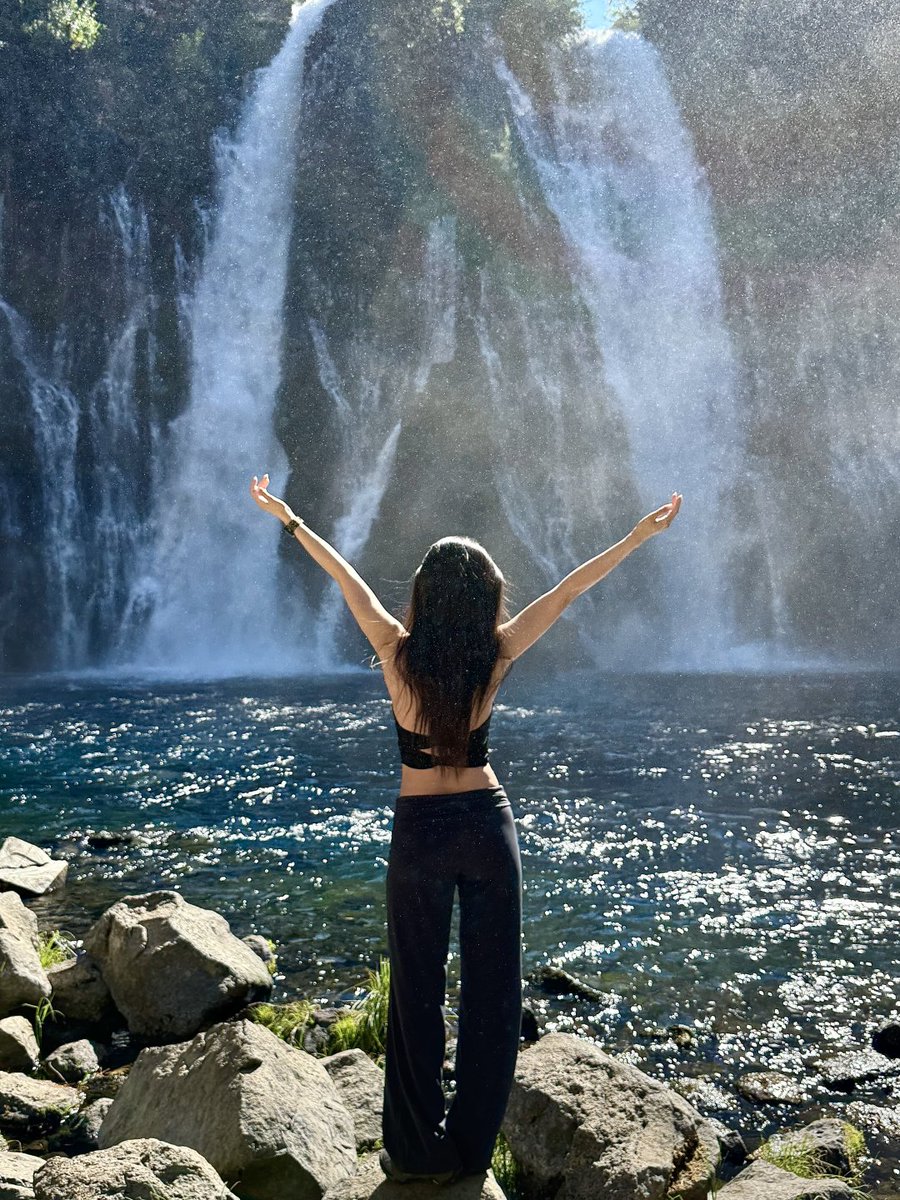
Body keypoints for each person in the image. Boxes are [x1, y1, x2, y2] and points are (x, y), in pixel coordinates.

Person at [250, 472, 682, 1184]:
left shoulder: (393, 648)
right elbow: (571, 589)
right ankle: (472, 1151)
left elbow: (342, 574)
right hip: (488, 823)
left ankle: (416, 1153)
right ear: (483, 598)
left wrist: (289, 517)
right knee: (493, 994)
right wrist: (637, 536)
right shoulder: (498, 650)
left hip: (420, 828)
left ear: (423, 595)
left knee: (416, 991)